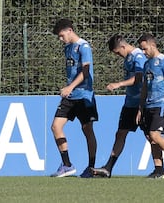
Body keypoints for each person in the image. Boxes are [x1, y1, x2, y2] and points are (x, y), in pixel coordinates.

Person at [90, 34, 164, 179]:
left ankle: (160, 168)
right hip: (129, 103)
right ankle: (108, 168)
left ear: (123, 46)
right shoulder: (129, 58)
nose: (118, 55)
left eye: (118, 52)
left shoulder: (138, 56)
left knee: (152, 137)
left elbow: (139, 77)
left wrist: (119, 84)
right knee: (120, 133)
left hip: (141, 103)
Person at [50, 18, 98, 178]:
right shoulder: (67, 48)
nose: (60, 38)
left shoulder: (83, 47)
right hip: (71, 96)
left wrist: (70, 87)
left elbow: (85, 72)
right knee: (56, 126)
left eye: (61, 35)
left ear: (69, 30)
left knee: (87, 130)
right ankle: (67, 165)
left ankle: (91, 167)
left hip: (84, 95)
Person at [135, 33, 164, 178]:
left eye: (145, 48)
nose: (143, 52)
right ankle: (159, 170)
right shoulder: (147, 64)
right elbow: (145, 88)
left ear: (152, 45)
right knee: (150, 137)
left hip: (160, 104)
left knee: (155, 134)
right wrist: (140, 108)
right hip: (148, 105)